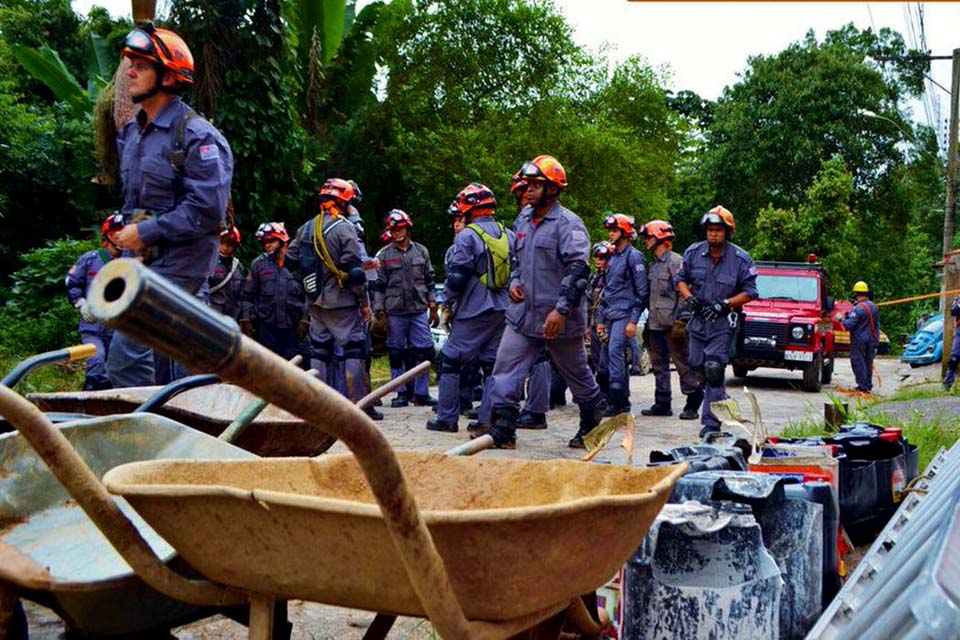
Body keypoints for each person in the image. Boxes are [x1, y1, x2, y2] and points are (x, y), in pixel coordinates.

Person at [108, 22, 233, 387]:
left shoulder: (198, 136)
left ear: (167, 75)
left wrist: (145, 230)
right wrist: (129, 231)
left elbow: (206, 211)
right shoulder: (132, 133)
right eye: (131, 63)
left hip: (183, 259)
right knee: (171, 362)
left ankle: (140, 439)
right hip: (145, 257)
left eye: (141, 66)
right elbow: (137, 198)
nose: (130, 71)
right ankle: (177, 427)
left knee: (127, 352)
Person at [487, 155, 605, 449]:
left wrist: (561, 310)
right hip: (524, 317)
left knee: (576, 373)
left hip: (558, 319)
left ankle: (592, 422)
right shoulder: (523, 219)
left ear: (552, 188)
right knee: (505, 368)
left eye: (534, 185)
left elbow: (579, 272)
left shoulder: (569, 224)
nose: (526, 190)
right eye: (525, 185)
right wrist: (514, 282)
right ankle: (502, 432)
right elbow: (516, 261)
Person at [287, 178, 380, 419]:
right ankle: (358, 405)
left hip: (316, 302)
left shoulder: (307, 227)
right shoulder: (345, 228)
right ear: (345, 202)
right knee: (354, 349)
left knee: (319, 350)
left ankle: (319, 406)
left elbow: (290, 261)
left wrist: (308, 287)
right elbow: (355, 273)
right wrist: (365, 305)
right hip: (343, 303)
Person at [428, 183, 513, 433]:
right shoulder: (506, 232)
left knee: (450, 360)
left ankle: (446, 418)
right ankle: (487, 419)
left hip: (475, 308)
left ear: (469, 208)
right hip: (502, 308)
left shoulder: (468, 235)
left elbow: (457, 278)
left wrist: (448, 302)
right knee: (491, 365)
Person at [676, 205, 758, 438]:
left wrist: (726, 303)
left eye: (718, 230)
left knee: (714, 369)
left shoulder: (740, 259)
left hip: (722, 323)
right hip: (698, 320)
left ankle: (711, 425)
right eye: (710, 229)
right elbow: (680, 280)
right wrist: (689, 298)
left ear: (727, 232)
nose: (713, 234)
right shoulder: (693, 252)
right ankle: (722, 399)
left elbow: (751, 292)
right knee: (696, 368)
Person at [374, 209, 439, 408]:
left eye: (400, 228)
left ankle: (421, 393)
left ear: (408, 228)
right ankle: (400, 392)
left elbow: (429, 280)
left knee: (425, 351)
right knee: (395, 353)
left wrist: (433, 305)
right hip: (394, 312)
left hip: (418, 310)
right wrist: (379, 312)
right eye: (393, 230)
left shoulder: (421, 251)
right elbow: (379, 286)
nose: (397, 233)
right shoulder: (384, 255)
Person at [639, 220, 703, 419]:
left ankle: (693, 400)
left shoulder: (676, 262)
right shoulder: (653, 265)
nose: (646, 242)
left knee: (682, 362)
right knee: (658, 364)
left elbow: (686, 291)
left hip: (673, 324)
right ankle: (662, 402)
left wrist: (682, 320)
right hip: (656, 322)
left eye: (649, 238)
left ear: (660, 238)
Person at [595, 213, 648, 416]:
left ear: (625, 233)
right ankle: (621, 400)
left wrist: (633, 321)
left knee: (615, 354)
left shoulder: (634, 257)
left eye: (614, 230)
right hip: (610, 314)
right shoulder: (612, 257)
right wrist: (600, 320)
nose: (610, 234)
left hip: (625, 315)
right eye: (609, 230)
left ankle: (616, 402)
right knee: (610, 356)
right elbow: (606, 291)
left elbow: (642, 292)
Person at [66, 213, 124, 390]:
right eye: (116, 231)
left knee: (118, 370)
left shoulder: (132, 262)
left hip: (120, 328)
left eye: (123, 231)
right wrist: (80, 302)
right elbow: (72, 282)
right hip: (93, 326)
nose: (120, 235)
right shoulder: (90, 259)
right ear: (107, 234)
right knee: (96, 362)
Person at [240, 222, 304, 360]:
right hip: (267, 330)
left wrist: (305, 320)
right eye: (264, 242)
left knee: (295, 369)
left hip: (294, 330)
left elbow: (309, 296)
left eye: (271, 241)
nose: (267, 245)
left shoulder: (298, 265)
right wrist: (246, 319)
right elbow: (248, 295)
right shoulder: (258, 265)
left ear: (282, 241)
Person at [839, 281, 880, 394]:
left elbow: (848, 325)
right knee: (868, 362)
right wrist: (876, 341)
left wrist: (841, 319)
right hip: (871, 339)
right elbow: (876, 325)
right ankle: (867, 385)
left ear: (856, 294)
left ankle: (862, 386)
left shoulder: (857, 309)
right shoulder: (874, 307)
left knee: (858, 361)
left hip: (859, 340)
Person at [587, 242, 612, 398]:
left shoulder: (613, 277)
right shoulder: (593, 278)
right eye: (596, 257)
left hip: (609, 324)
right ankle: (602, 395)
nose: (598, 261)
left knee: (607, 364)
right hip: (594, 324)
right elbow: (588, 303)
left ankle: (614, 396)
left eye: (602, 258)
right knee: (597, 361)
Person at [208, 225, 244, 319]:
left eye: (230, 245)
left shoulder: (237, 267)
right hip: (210, 315)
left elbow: (240, 297)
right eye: (222, 243)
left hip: (230, 319)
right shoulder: (208, 262)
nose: (225, 247)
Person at [943, 296, 960, 391]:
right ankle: (947, 384)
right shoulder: (958, 299)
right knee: (954, 357)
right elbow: (954, 311)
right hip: (959, 331)